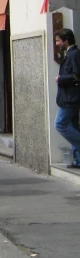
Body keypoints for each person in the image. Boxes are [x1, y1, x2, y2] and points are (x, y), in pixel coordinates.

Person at [54, 29, 80, 169]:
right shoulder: (70, 54)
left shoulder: (74, 54)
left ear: (66, 40)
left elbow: (77, 75)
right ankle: (78, 160)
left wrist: (61, 79)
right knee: (74, 126)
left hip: (71, 98)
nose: (57, 43)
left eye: (58, 40)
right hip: (69, 97)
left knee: (60, 124)